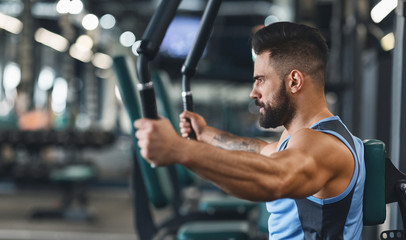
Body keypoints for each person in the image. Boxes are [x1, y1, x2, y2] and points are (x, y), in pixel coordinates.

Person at [134, 21, 366, 240]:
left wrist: (179, 149)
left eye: (261, 80)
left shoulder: (322, 144)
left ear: (294, 81)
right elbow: (262, 150)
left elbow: (277, 178)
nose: (253, 93)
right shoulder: (302, 137)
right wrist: (205, 134)